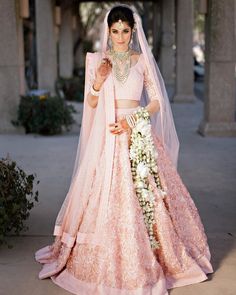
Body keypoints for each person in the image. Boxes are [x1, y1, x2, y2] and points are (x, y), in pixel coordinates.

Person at [35, 5, 213, 295]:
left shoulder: (142, 61)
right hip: (107, 139)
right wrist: (98, 81)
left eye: (125, 31)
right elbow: (91, 106)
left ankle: (158, 256)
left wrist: (134, 121)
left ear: (133, 31)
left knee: (150, 196)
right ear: (109, 31)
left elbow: (155, 102)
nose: (119, 37)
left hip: (137, 133)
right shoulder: (98, 61)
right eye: (115, 31)